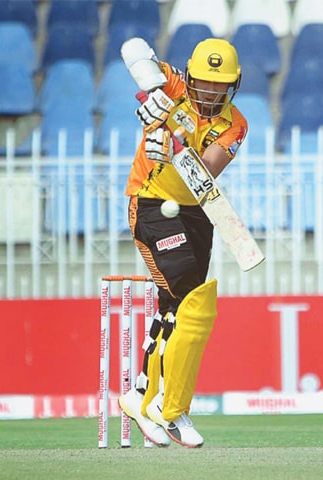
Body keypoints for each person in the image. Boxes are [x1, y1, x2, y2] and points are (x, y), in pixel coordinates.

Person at [117, 38, 247, 448]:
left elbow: (203, 173)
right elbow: (132, 46)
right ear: (189, 76)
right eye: (204, 83)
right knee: (190, 297)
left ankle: (142, 396)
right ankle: (169, 408)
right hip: (151, 202)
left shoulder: (235, 125)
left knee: (173, 307)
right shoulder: (172, 86)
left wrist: (171, 144)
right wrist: (150, 91)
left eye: (219, 86)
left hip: (196, 209)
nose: (210, 93)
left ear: (233, 86)